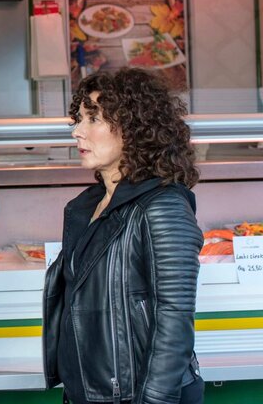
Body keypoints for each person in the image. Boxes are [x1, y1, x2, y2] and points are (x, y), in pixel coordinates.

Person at [43, 68, 204, 404]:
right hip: (91, 391)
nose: (76, 132)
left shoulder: (163, 206)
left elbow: (174, 322)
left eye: (93, 119)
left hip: (137, 396)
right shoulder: (86, 206)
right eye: (78, 119)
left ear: (133, 128)